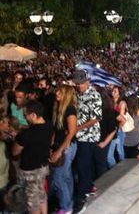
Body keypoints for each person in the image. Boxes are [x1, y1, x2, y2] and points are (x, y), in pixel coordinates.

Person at [12, 100, 53, 214]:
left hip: (30, 172)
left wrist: (16, 138)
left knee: (32, 202)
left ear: (34, 115)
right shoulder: (49, 126)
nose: (25, 118)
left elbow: (15, 152)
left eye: (26, 115)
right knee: (41, 195)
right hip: (43, 167)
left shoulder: (26, 134)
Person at [72, 70, 102, 214]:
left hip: (89, 136)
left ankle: (81, 196)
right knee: (83, 163)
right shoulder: (77, 94)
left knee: (82, 164)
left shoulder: (94, 95)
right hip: (78, 135)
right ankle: (88, 186)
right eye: (77, 84)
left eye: (81, 84)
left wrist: (77, 128)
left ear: (87, 82)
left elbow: (95, 118)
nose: (79, 86)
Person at [49, 85, 78, 214]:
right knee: (66, 176)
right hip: (62, 145)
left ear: (65, 94)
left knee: (58, 178)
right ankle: (68, 203)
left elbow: (71, 133)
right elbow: (57, 129)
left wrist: (59, 151)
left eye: (59, 92)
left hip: (67, 147)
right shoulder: (60, 108)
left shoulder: (70, 110)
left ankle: (66, 207)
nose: (56, 94)